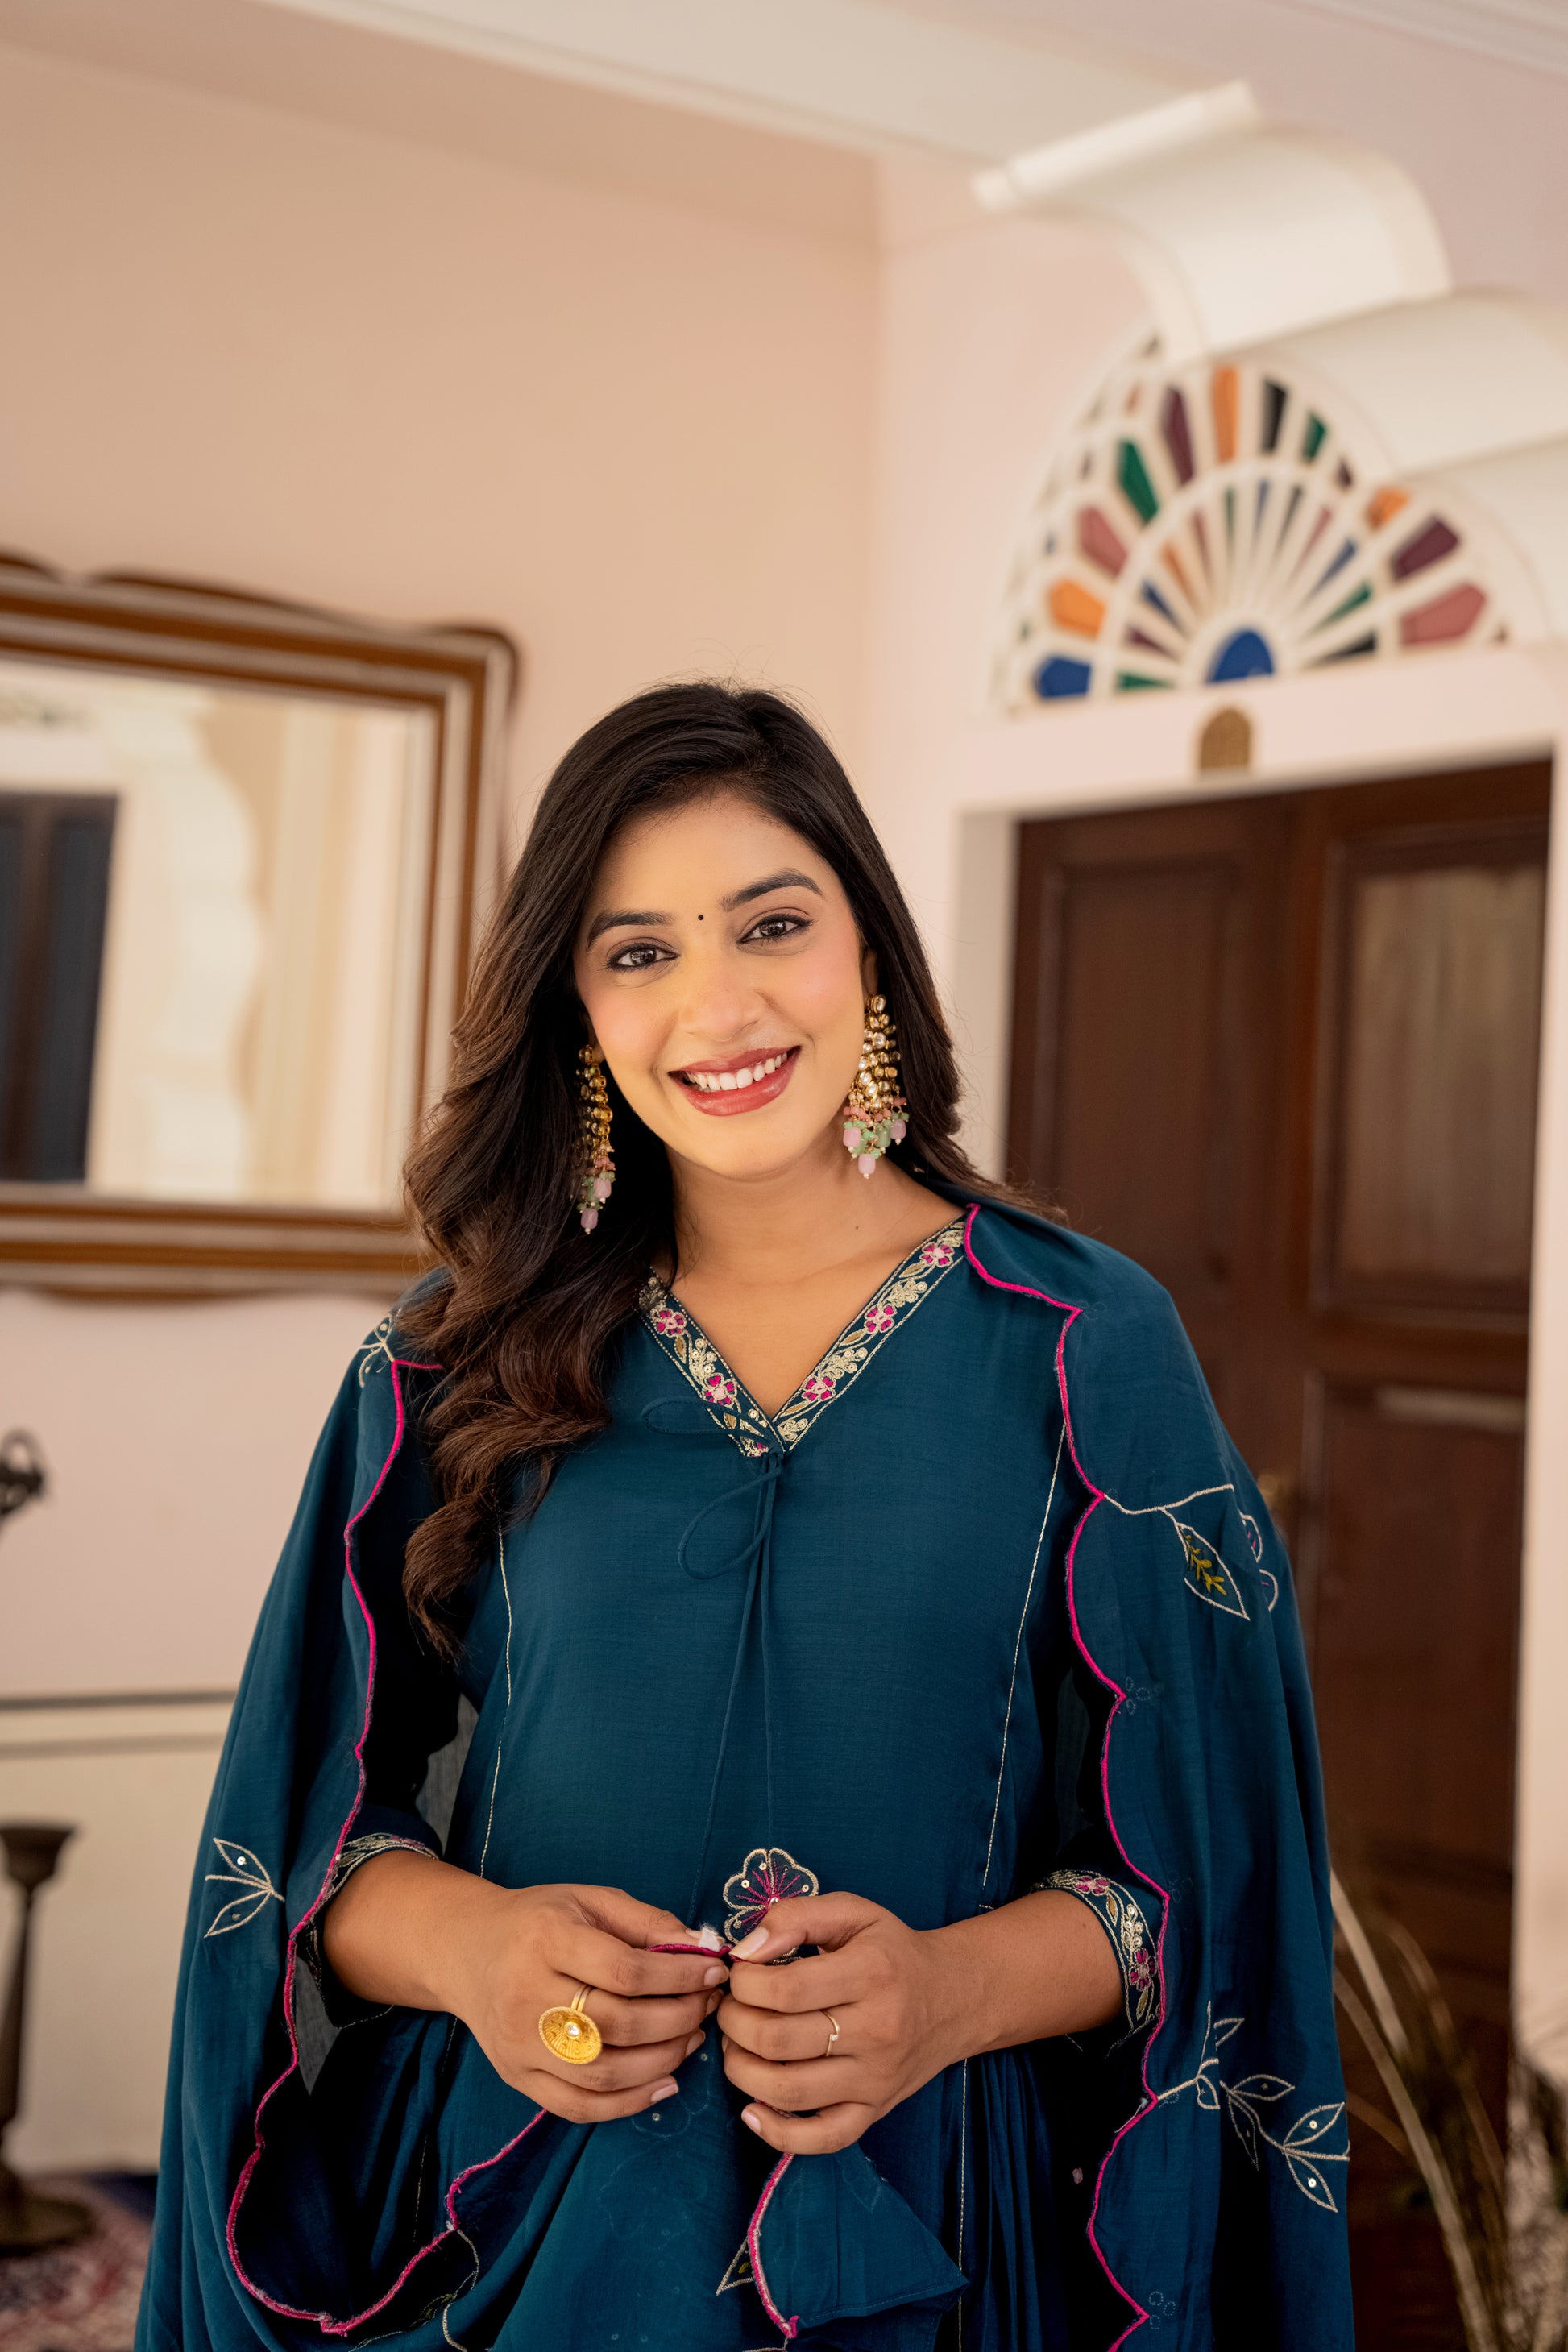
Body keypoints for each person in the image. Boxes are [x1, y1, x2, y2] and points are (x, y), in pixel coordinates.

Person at [138, 685, 1354, 2352]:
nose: (715, 1002)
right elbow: (290, 1844)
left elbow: (1213, 1874)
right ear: (575, 1001)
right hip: (519, 2219)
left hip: (944, 2225)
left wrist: (941, 1996)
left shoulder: (1084, 1341)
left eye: (770, 922)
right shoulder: (450, 1356)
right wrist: (481, 1948)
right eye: (638, 949)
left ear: (867, 945)